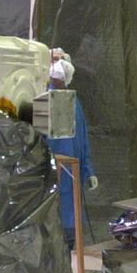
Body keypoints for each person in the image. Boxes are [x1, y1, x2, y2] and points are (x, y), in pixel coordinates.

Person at [47, 48, 97, 249]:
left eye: (62, 59)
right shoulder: (42, 100)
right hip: (53, 177)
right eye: (55, 60)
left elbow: (82, 140)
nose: (60, 64)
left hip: (72, 174)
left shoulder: (73, 101)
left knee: (70, 229)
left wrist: (88, 170)